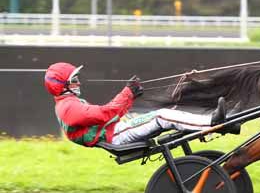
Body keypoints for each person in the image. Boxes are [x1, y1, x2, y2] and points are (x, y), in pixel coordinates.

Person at [44, 62, 226, 147]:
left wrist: (129, 96)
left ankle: (218, 123)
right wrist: (127, 93)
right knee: (162, 115)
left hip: (115, 130)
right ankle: (212, 123)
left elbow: (109, 115)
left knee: (162, 114)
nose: (78, 83)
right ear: (62, 85)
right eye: (74, 80)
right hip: (115, 136)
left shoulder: (68, 104)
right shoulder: (67, 108)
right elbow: (104, 114)